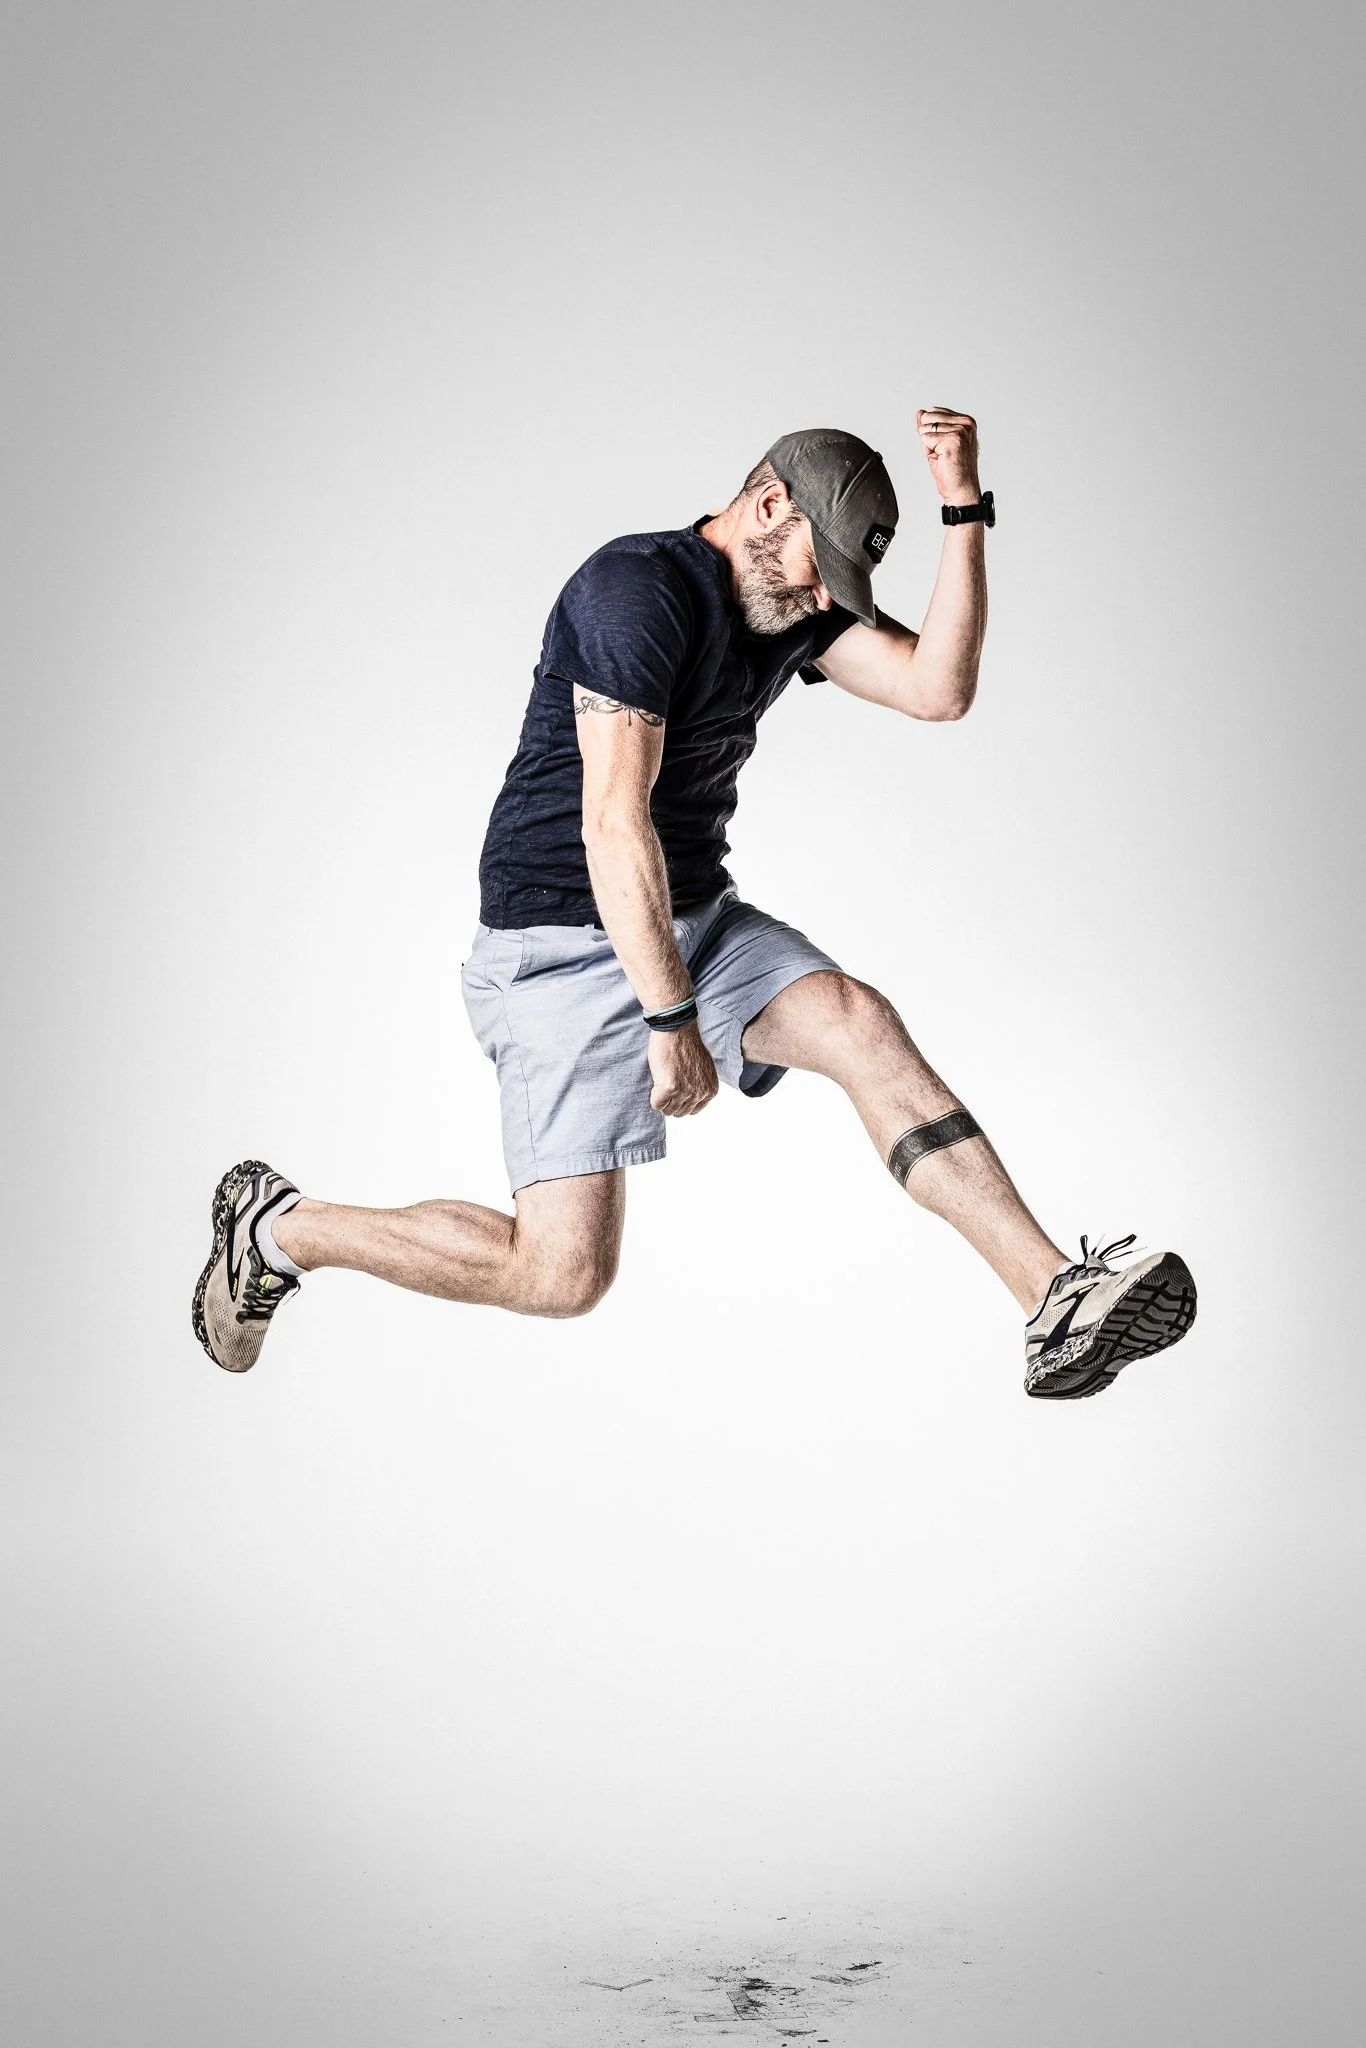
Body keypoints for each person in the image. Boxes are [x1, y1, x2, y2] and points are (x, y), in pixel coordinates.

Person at [193, 411, 1196, 1400]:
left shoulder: (792, 607)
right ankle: (280, 1227)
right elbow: (612, 827)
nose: (819, 595)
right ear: (768, 503)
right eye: (815, 565)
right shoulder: (636, 591)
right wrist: (668, 1017)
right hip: (562, 935)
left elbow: (936, 688)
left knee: (857, 1020)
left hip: (693, 913)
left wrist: (963, 509)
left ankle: (1051, 1298)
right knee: (559, 1274)